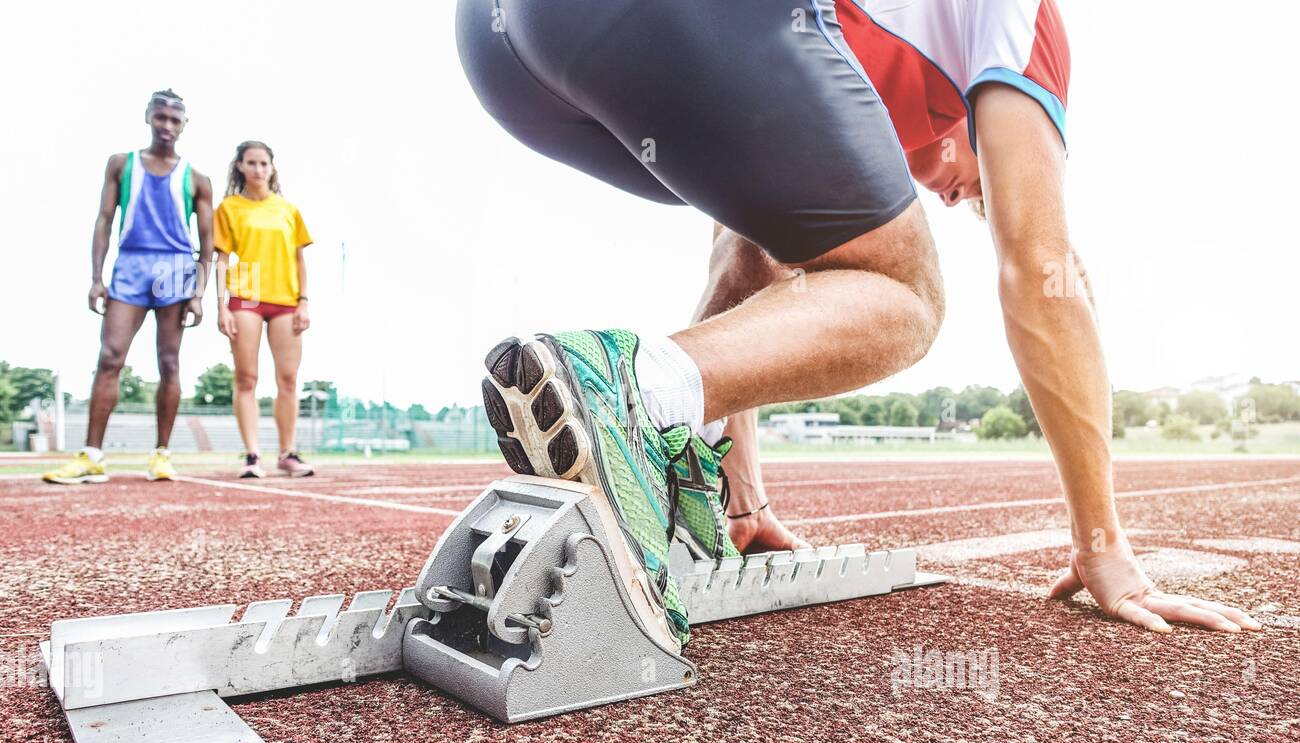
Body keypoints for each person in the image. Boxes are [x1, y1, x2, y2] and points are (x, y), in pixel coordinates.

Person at [458, 0, 1260, 649]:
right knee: (903, 292)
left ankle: (658, 466)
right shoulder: (1021, 25)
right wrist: (1101, 545)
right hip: (654, 23)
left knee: (787, 250)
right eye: (973, 187)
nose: (958, 200)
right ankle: (621, 391)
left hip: (508, 48)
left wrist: (742, 499)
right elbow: (1045, 275)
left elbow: (744, 278)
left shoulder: (828, 73)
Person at [44, 89, 212, 485]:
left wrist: (200, 293)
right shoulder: (121, 165)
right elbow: (104, 220)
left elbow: (208, 244)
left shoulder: (197, 179)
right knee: (110, 356)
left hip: (174, 269)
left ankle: (161, 455)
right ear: (148, 117)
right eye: (161, 117)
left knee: (169, 362)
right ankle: (92, 454)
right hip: (130, 265)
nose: (167, 126)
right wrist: (96, 278)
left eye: (175, 120)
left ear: (185, 125)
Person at [214, 140, 315, 478]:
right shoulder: (229, 208)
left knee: (287, 379)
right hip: (246, 298)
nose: (259, 169)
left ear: (272, 168)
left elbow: (300, 259)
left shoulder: (288, 210)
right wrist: (221, 306)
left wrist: (304, 301)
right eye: (252, 163)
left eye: (264, 164)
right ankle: (252, 455)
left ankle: (287, 453)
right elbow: (221, 259)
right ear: (240, 166)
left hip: (286, 300)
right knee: (247, 378)